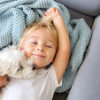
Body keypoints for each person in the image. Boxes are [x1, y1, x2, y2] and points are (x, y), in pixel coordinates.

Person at [0, 7, 70, 100]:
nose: (40, 48)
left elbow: (64, 49)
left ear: (54, 56)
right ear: (21, 47)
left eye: (48, 46)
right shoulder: (12, 67)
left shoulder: (50, 77)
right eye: (33, 43)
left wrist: (57, 19)